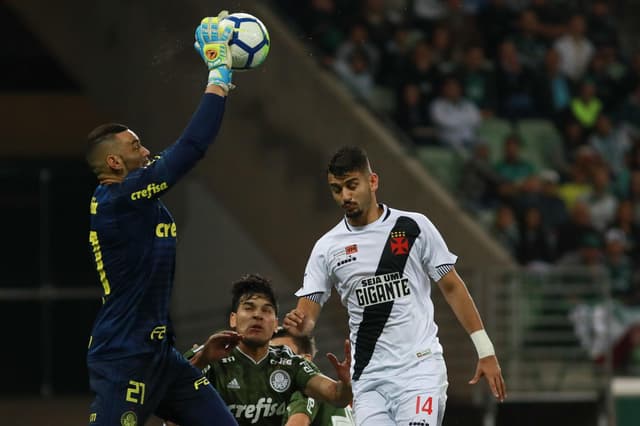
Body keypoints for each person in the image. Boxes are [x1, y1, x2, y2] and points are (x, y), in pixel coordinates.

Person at [85, 12, 239, 426]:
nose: (146, 149)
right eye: (136, 146)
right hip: (124, 359)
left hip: (161, 356)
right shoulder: (120, 198)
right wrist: (219, 74)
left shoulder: (142, 200)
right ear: (114, 162)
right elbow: (190, 148)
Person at [283, 146, 506, 426]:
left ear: (372, 181)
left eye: (352, 186)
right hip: (368, 379)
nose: (345, 196)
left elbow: (452, 287)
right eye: (336, 189)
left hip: (419, 369)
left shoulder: (413, 226)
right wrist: (300, 325)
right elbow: (308, 314)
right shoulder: (327, 248)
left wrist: (485, 350)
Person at [187, 274, 353, 426]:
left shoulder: (291, 363)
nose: (258, 315)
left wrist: (346, 383)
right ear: (233, 319)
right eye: (249, 308)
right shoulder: (208, 354)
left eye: (266, 310)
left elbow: (337, 395)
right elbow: (166, 394)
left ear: (275, 324)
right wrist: (202, 360)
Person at [271, 327, 355, 426]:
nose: (276, 362)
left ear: (305, 360)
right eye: (271, 355)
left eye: (285, 355)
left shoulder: (304, 390)